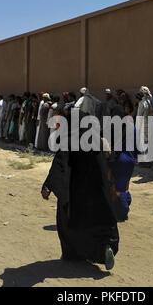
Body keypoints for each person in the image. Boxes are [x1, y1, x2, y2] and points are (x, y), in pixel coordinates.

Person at [41, 114, 119, 270]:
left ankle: (73, 254)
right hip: (97, 190)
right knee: (99, 220)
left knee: (68, 220)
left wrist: (48, 185)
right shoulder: (94, 140)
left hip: (74, 191)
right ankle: (105, 248)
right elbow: (106, 164)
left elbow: (60, 164)